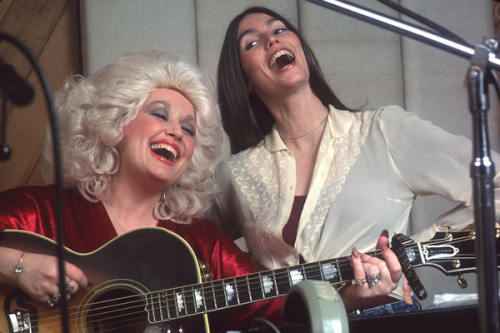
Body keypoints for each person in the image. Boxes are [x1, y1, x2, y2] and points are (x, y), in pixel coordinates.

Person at [211, 6, 500, 316]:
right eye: (252, 43)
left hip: (380, 319)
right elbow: (184, 242)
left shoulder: (384, 130)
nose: (272, 40)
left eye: (279, 29)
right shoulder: (235, 175)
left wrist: (419, 247)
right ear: (244, 81)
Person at [0, 51, 283, 332]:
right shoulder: (40, 210)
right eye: (160, 115)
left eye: (189, 128)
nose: (177, 132)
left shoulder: (202, 243)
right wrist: (20, 267)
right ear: (115, 122)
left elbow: (276, 307)